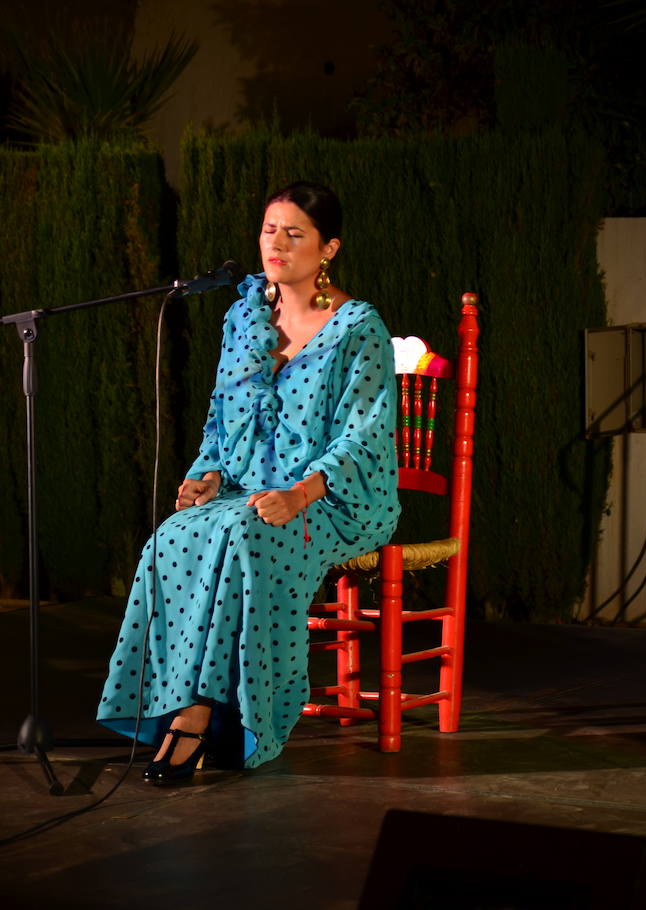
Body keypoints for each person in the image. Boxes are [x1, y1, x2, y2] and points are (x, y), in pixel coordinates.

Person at [98, 182, 400, 782]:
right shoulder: (243, 317)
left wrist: (301, 493)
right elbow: (220, 416)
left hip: (337, 497)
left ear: (328, 248)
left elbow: (363, 436)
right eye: (269, 230)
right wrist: (204, 475)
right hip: (248, 493)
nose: (277, 244)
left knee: (244, 534)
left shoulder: (358, 325)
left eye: (295, 233)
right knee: (172, 536)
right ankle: (172, 710)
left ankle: (204, 719)